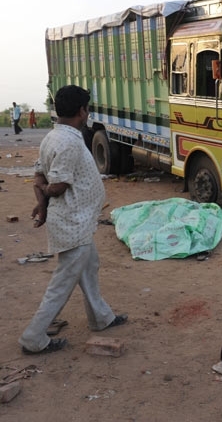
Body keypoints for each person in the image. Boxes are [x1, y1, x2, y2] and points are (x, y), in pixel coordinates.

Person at [19, 85, 127, 355]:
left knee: (89, 267)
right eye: (87, 109)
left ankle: (101, 318)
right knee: (62, 283)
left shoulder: (54, 137)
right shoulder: (68, 142)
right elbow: (57, 185)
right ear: (82, 111)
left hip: (78, 221)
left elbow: (39, 175)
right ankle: (33, 338)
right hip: (73, 222)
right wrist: (45, 194)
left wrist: (41, 203)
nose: (87, 113)